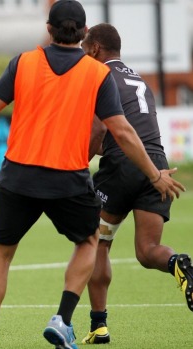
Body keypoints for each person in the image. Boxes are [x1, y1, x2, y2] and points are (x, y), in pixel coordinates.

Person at [0, 1, 185, 349]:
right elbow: (125, 133)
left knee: (0, 254)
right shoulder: (96, 73)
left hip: (18, 176)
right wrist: (154, 174)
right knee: (89, 242)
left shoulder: (22, 62)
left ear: (49, 29)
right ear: (83, 33)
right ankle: (62, 317)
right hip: (67, 179)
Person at [79, 23, 193, 345]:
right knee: (148, 251)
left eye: (86, 48)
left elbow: (99, 133)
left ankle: (99, 326)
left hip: (122, 166)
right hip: (157, 166)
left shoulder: (99, 77)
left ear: (95, 49)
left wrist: (75, 165)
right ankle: (177, 263)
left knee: (98, 243)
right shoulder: (138, 78)